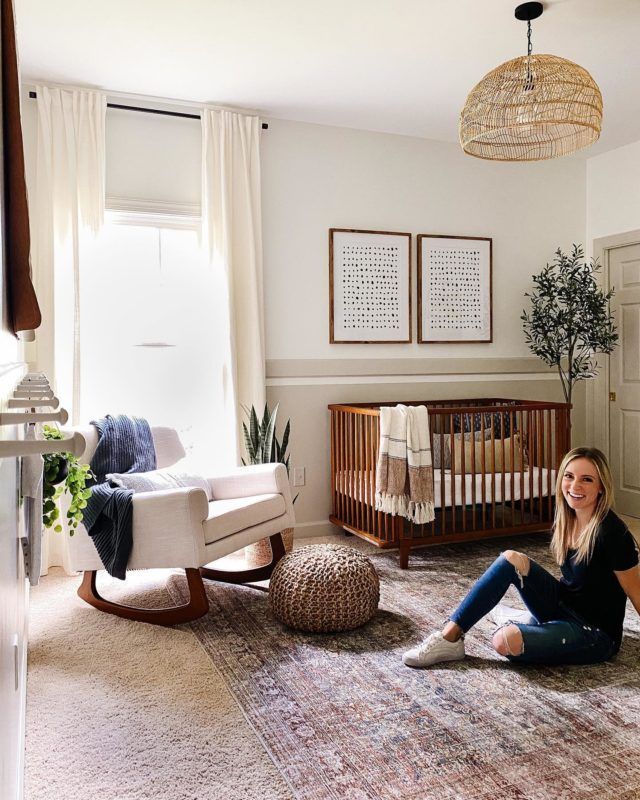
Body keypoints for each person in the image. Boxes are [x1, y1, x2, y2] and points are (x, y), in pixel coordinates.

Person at [403, 447, 640, 668]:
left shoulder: (612, 533)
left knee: (504, 641)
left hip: (594, 633)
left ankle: (529, 623)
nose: (574, 485)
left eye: (586, 479)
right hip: (564, 606)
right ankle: (449, 638)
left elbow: (637, 593)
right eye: (569, 476)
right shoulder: (569, 517)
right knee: (510, 559)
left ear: (601, 487)